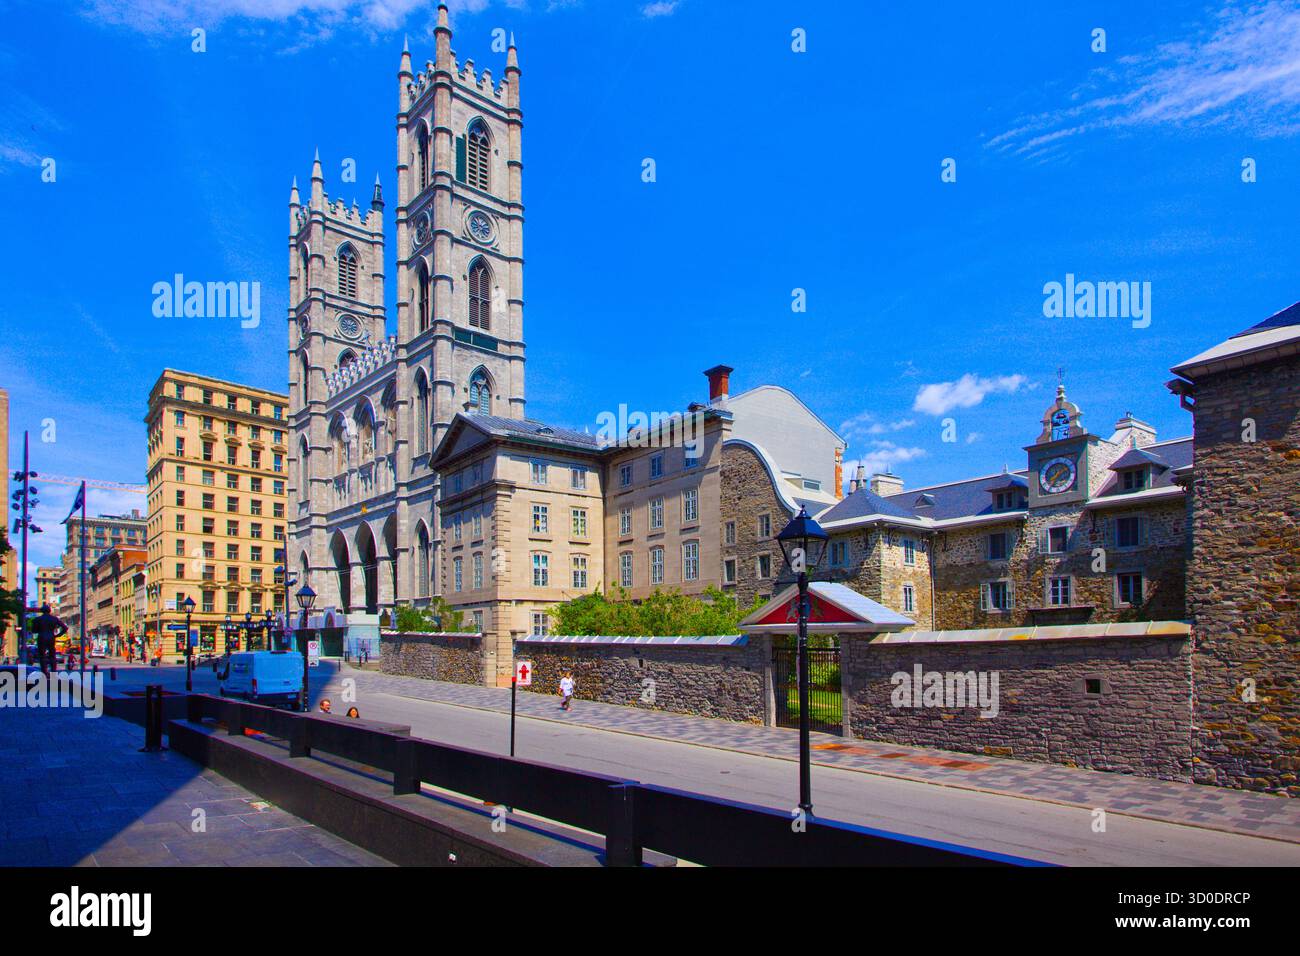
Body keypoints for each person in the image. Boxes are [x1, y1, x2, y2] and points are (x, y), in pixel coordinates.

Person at [31, 605, 67, 676]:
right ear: (49, 610)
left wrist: (39, 629)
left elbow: (34, 630)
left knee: (42, 655)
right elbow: (65, 628)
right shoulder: (54, 619)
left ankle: (44, 671)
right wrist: (58, 635)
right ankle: (53, 671)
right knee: (52, 655)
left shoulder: (37, 619)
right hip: (51, 637)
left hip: (41, 637)